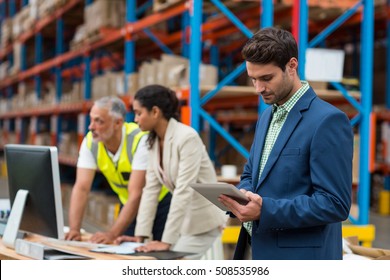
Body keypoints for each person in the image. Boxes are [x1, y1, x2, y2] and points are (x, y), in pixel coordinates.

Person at [218, 27, 353, 260]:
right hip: (257, 249)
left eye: (266, 78)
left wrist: (265, 210)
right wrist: (242, 197)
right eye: (253, 79)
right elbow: (252, 175)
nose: (258, 88)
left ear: (291, 66)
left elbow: (334, 204)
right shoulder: (267, 116)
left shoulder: (327, 121)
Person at [115, 85, 227, 259]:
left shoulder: (187, 138)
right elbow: (150, 191)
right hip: (183, 222)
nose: (135, 119)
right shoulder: (151, 141)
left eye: (138, 113)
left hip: (202, 222)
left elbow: (184, 190)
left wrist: (166, 241)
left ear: (155, 112)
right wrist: (140, 236)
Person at [65, 96, 171, 244]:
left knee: (163, 256)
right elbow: (81, 187)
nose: (91, 127)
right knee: (126, 253)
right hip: (128, 203)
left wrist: (112, 233)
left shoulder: (140, 140)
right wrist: (74, 230)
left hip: (161, 203)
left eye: (99, 121)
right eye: (91, 120)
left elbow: (136, 193)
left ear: (118, 123)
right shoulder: (91, 142)